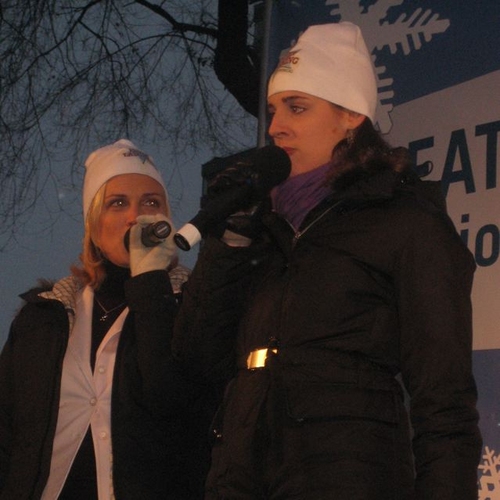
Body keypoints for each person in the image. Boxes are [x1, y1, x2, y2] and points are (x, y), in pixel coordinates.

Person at [173, 22, 482, 499]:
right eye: (274, 109)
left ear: (351, 115)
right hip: (240, 479)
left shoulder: (405, 222)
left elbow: (445, 405)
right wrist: (229, 240)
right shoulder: (260, 226)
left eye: (298, 107)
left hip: (349, 477)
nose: (275, 126)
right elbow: (197, 358)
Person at [0, 139, 209, 499]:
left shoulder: (191, 307)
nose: (135, 217)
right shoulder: (43, 317)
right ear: (93, 224)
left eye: (151, 202)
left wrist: (150, 282)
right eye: (118, 203)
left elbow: (178, 408)